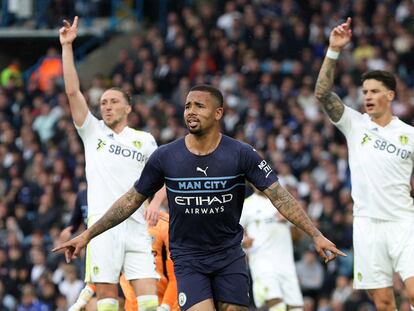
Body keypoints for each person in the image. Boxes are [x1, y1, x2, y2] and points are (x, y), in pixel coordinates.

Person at [54, 84, 345, 311]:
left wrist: (316, 235)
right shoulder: (166, 156)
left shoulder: (241, 154)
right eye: (187, 106)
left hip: (229, 256)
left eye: (199, 106)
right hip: (189, 259)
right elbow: (129, 201)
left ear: (218, 113)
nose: (190, 111)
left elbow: (280, 198)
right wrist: (88, 234)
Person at [59, 16, 163, 311]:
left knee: (148, 300)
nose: (106, 106)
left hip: (136, 227)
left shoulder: (144, 140)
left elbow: (163, 177)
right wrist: (67, 47)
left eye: (113, 101)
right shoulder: (92, 132)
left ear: (128, 107)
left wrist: (156, 201)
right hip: (102, 228)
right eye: (103, 102)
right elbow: (72, 92)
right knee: (107, 300)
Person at [314, 17, 414, 311]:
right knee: (383, 302)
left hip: (403, 222)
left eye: (374, 91)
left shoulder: (409, 134)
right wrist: (333, 50)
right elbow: (322, 94)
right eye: (365, 91)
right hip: (367, 225)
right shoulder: (355, 124)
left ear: (390, 95)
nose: (367, 96)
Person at [60, 189, 177, 311]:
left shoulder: (164, 226)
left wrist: (165, 307)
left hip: (166, 305)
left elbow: (176, 277)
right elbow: (105, 269)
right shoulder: (116, 228)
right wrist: (82, 299)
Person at [240, 188, 304, 311]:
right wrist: (243, 242)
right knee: (275, 305)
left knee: (296, 308)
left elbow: (297, 238)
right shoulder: (247, 204)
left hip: (286, 265)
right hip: (262, 263)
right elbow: (232, 232)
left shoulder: (284, 202)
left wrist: (289, 218)